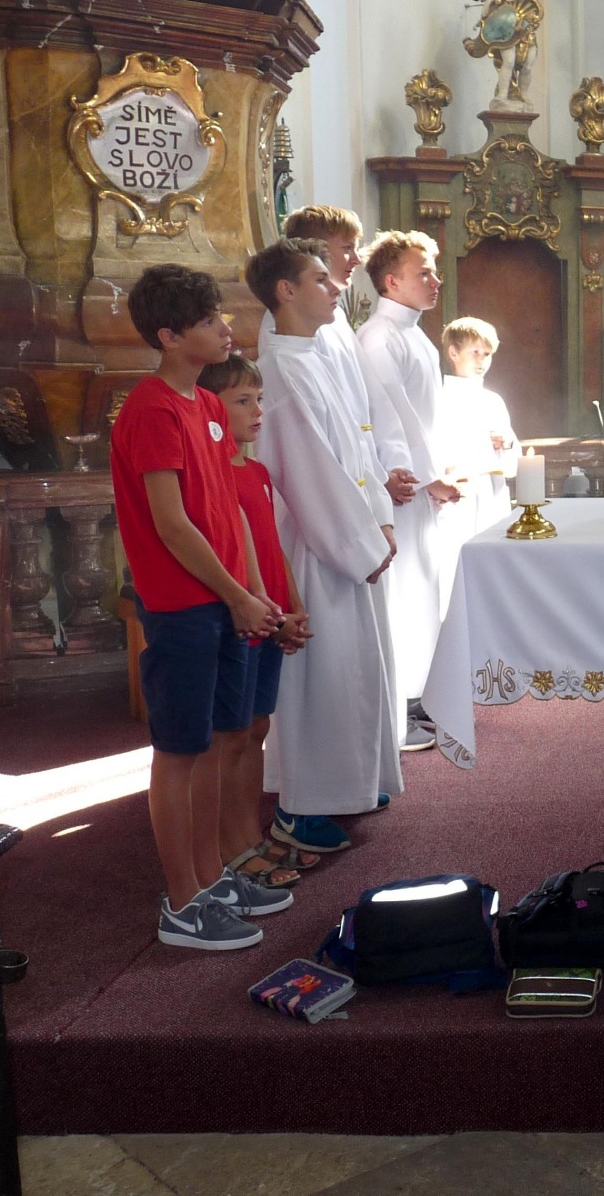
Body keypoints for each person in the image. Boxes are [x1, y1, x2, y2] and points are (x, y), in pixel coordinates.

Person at [110, 264, 289, 951]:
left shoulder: (209, 407)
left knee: (218, 740)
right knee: (180, 751)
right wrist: (235, 593)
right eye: (210, 321)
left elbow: (227, 510)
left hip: (225, 598)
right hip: (183, 604)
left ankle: (213, 877)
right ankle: (182, 902)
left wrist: (252, 590)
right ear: (169, 336)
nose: (226, 328)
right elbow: (172, 524)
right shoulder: (152, 410)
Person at [248, 241, 405, 852]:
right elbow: (309, 474)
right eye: (320, 279)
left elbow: (358, 447)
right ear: (285, 291)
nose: (336, 286)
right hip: (313, 546)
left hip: (348, 535)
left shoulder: (315, 355)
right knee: (321, 676)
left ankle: (350, 785)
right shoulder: (280, 371)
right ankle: (302, 805)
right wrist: (361, 543)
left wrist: (380, 520)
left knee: (354, 667)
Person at [197, 354, 316, 890]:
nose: (258, 410)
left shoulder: (258, 471)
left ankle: (251, 835)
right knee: (233, 735)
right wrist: (264, 610)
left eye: (260, 399)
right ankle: (231, 846)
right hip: (244, 617)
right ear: (210, 408)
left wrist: (294, 605)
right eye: (243, 401)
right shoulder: (212, 472)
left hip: (271, 614)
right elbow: (231, 556)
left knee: (258, 729)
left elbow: (271, 544)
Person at [357, 230, 462, 751]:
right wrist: (423, 476)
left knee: (424, 590)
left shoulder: (414, 333)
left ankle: (417, 695)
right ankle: (398, 704)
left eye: (434, 271)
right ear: (392, 281)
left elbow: (425, 413)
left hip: (420, 486)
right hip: (401, 489)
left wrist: (441, 468)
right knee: (403, 596)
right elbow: (389, 416)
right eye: (424, 272)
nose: (435, 280)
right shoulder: (380, 337)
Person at [271, 206, 418, 516]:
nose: (357, 259)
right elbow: (329, 425)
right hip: (336, 489)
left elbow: (372, 400)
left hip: (369, 473)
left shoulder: (334, 316)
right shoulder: (293, 325)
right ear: (315, 250)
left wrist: (392, 463)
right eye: (347, 248)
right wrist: (379, 478)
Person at [439, 316, 521, 540]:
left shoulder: (493, 401)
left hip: (493, 496)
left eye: (487, 354)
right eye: (475, 352)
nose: (481, 360)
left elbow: (514, 462)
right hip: (459, 496)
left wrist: (507, 443)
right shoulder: (439, 399)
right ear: (453, 353)